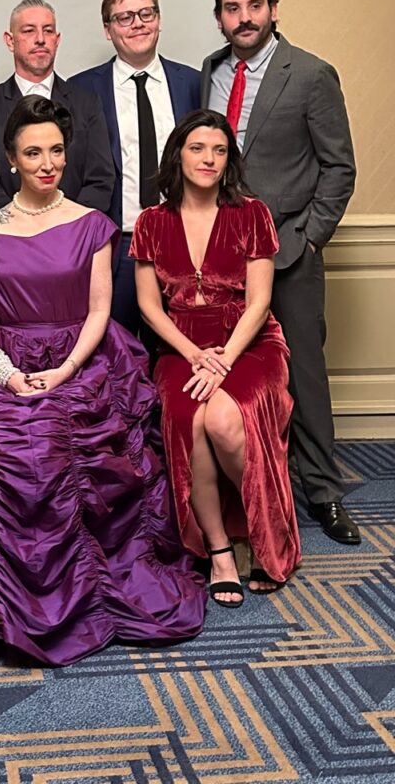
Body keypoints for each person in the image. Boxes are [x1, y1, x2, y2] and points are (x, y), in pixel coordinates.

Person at [0, 95, 205, 666]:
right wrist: (2, 370)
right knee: (2, 447)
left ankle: (93, 594)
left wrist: (64, 369)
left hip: (81, 356)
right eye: (34, 152)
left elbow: (101, 310)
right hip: (7, 358)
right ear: (11, 159)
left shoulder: (90, 224)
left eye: (56, 149)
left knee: (63, 444)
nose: (48, 162)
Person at [201, 0, 358, 546]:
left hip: (288, 248)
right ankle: (258, 480)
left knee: (305, 374)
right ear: (219, 17)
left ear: (273, 9)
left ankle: (323, 491)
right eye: (231, 8)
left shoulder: (312, 74)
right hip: (220, 253)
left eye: (255, 5)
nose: (244, 17)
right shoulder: (210, 71)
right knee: (234, 365)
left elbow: (339, 167)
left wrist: (308, 236)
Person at [131, 110, 301, 607]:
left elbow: (259, 302)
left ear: (229, 160)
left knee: (226, 419)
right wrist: (192, 354)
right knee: (189, 420)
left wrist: (223, 359)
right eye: (198, 148)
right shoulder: (151, 221)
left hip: (248, 343)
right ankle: (221, 551)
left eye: (220, 150)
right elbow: (148, 306)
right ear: (177, 155)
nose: (208, 159)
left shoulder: (252, 214)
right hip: (180, 347)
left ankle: (266, 530)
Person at [69, 0, 200, 340]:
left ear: (159, 20)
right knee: (115, 355)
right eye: (125, 17)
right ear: (107, 30)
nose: (138, 24)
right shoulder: (81, 90)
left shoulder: (192, 83)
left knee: (177, 354)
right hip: (117, 245)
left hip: (180, 241)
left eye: (146, 13)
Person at [0, 0, 114, 215]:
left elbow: (100, 179)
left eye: (48, 30)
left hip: (75, 238)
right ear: (10, 40)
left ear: (57, 39)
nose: (40, 39)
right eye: (28, 31)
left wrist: (67, 228)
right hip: (10, 240)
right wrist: (25, 229)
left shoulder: (87, 103)